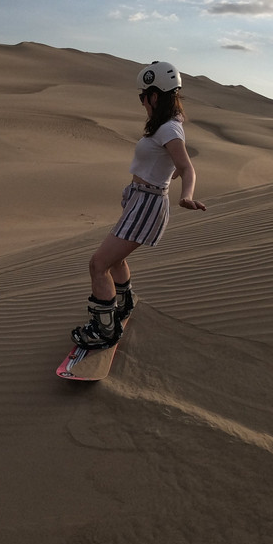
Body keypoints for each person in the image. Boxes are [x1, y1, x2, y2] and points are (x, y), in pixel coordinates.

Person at [71, 61, 207, 349]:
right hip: (139, 200)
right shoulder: (166, 127)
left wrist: (187, 195)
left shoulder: (169, 129)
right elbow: (170, 166)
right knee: (115, 260)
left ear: (155, 96)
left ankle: (105, 330)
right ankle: (124, 302)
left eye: (143, 96)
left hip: (147, 204)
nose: (142, 101)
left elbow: (187, 167)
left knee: (98, 264)